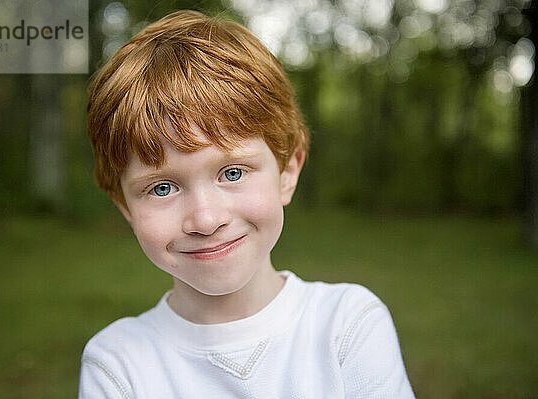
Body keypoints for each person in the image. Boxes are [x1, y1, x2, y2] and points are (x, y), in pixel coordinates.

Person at [78, 10, 415, 398]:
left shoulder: (348, 325)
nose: (205, 219)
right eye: (163, 188)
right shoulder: (118, 364)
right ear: (125, 207)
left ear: (287, 171)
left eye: (233, 173)